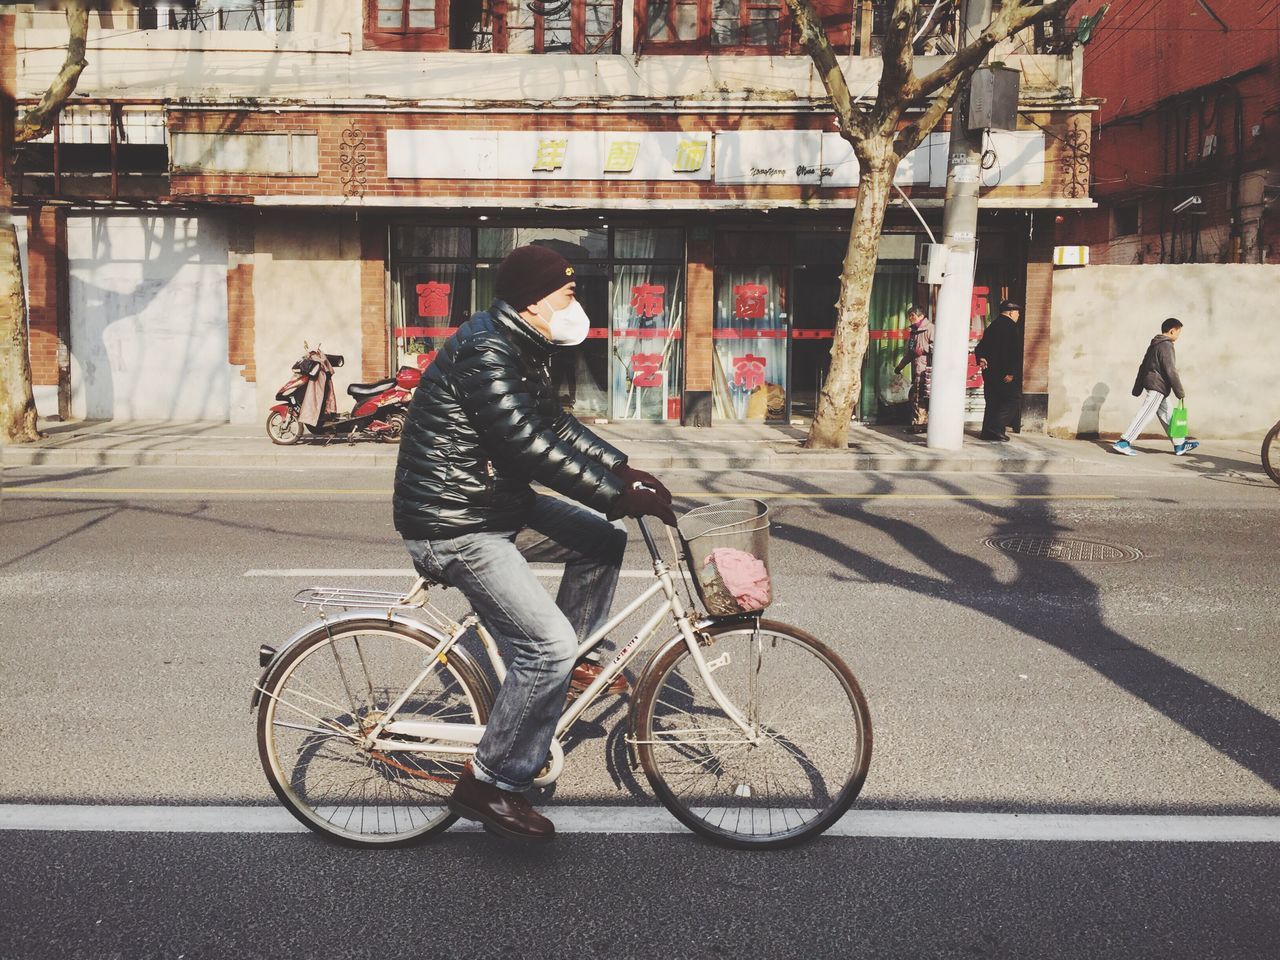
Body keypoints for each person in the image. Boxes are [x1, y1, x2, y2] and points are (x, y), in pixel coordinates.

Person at [392, 244, 677, 842]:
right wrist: (614, 494)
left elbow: (556, 425)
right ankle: (489, 783)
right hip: (455, 522)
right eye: (569, 294)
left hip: (496, 503)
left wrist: (621, 471)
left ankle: (570, 663)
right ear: (533, 299)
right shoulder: (487, 352)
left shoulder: (523, 345)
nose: (577, 304)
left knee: (600, 540)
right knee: (545, 646)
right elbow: (526, 446)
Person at [1113, 317, 1199, 457]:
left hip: (1156, 386)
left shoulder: (1155, 344)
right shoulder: (1166, 345)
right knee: (1145, 414)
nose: (1178, 336)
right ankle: (1124, 442)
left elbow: (1143, 366)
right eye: (1178, 332)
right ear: (1172, 331)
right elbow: (1170, 370)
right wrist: (1180, 392)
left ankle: (1180, 444)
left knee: (1169, 416)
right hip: (1158, 386)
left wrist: (1138, 387)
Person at [973, 299, 1024, 442]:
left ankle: (987, 433)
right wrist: (1011, 372)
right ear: (1011, 313)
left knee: (993, 401)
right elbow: (1011, 352)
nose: (1018, 315)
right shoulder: (1011, 326)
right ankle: (995, 427)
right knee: (1013, 399)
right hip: (1003, 374)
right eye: (1017, 313)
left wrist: (981, 358)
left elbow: (980, 347)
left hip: (989, 372)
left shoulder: (993, 326)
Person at [894, 305, 934, 434]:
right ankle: (920, 423)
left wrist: (923, 349)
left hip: (926, 369)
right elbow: (910, 353)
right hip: (917, 368)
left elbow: (938, 345)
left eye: (913, 316)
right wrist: (900, 366)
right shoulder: (913, 332)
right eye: (909, 317)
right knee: (916, 395)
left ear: (921, 316)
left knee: (918, 396)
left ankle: (920, 424)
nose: (911, 319)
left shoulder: (930, 329)